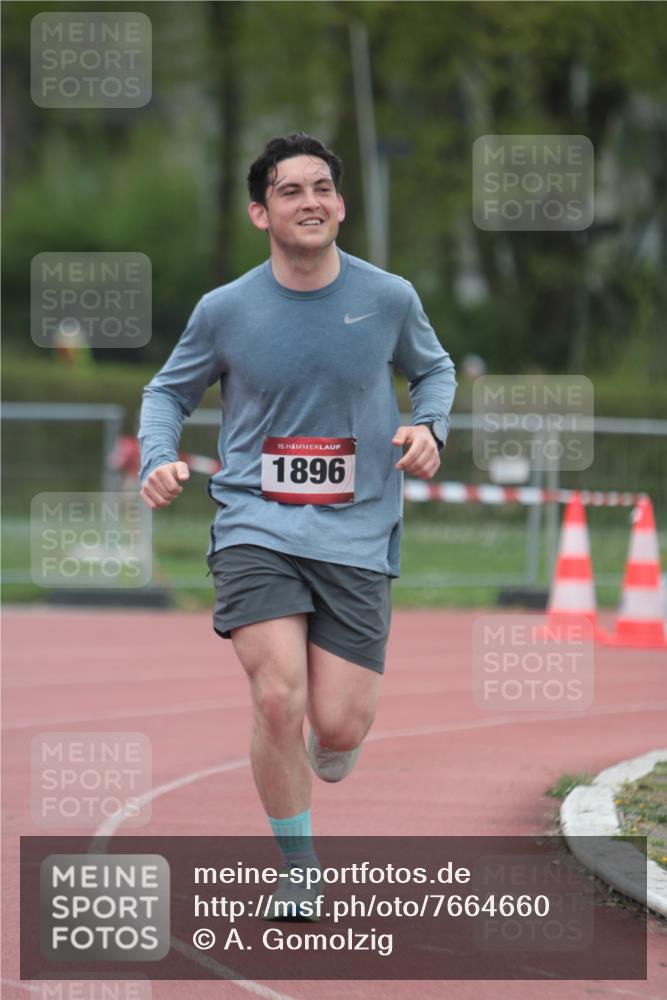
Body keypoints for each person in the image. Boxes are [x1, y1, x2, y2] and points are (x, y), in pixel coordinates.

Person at [139, 132, 456, 919]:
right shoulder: (225, 310)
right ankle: (298, 867)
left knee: (337, 729)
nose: (310, 201)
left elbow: (433, 370)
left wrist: (430, 428)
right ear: (260, 212)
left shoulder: (388, 297)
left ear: (340, 205)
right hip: (257, 521)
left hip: (357, 529)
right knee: (277, 697)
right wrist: (159, 455)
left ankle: (333, 739)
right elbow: (167, 392)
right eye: (290, 190)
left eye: (322, 188)